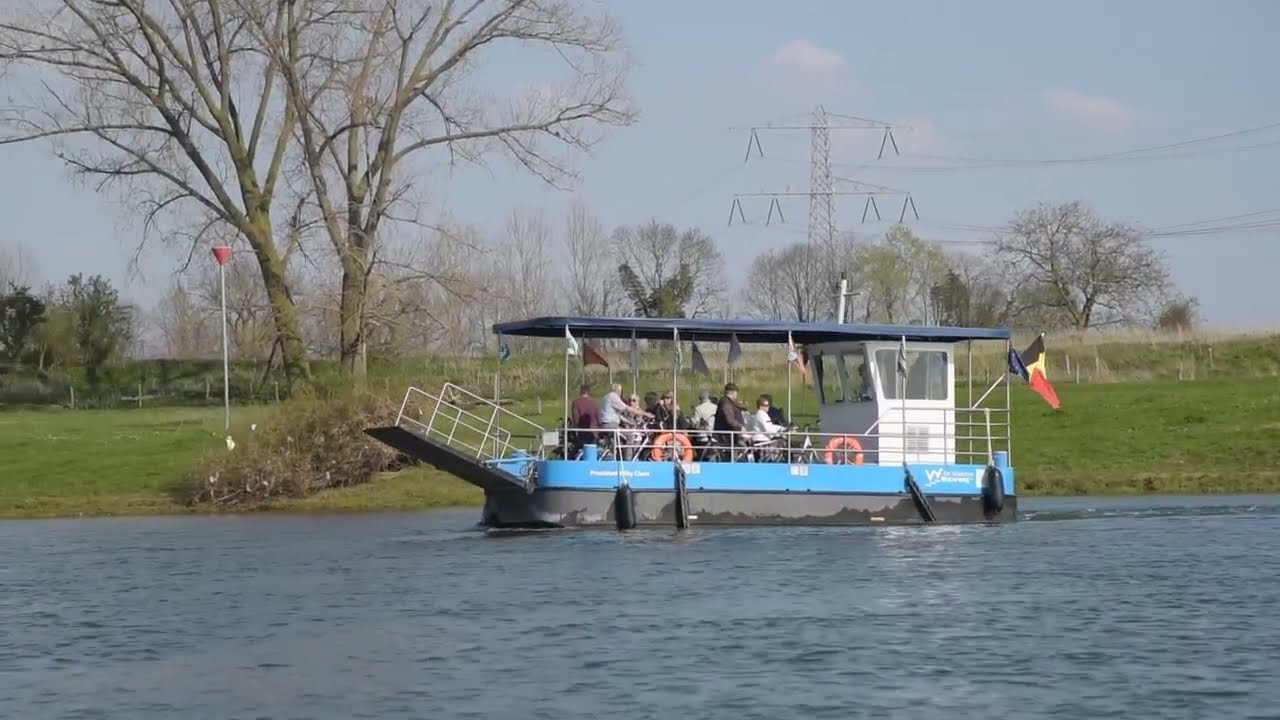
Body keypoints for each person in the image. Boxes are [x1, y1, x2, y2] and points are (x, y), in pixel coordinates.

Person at [714, 382, 747, 454]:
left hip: (731, 435)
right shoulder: (726, 403)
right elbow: (730, 419)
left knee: (742, 448)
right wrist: (740, 426)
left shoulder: (729, 402)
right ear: (733, 392)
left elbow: (738, 407)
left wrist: (743, 406)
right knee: (740, 450)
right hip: (727, 436)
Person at [568, 383, 599, 451]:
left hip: (582, 432)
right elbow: (597, 417)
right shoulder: (593, 403)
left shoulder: (576, 402)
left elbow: (575, 418)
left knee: (581, 451)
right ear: (589, 392)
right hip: (594, 432)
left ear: (580, 392)